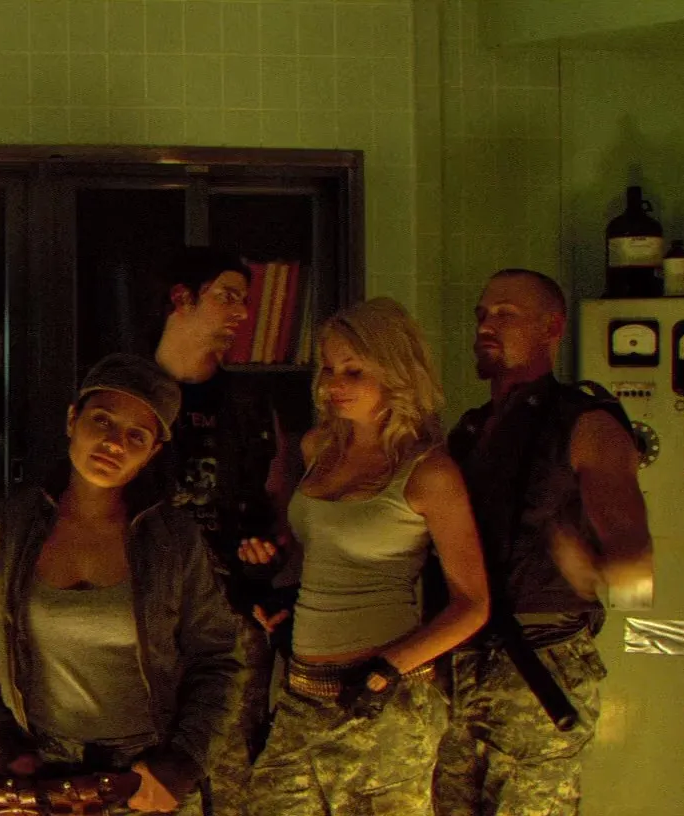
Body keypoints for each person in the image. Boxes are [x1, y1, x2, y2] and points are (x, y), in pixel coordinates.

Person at [0, 353, 243, 815]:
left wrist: (181, 764)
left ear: (153, 452)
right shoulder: (8, 529)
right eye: (102, 420)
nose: (113, 443)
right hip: (40, 774)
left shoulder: (173, 539)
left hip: (145, 776)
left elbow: (217, 658)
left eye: (136, 436)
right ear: (72, 419)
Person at [238, 297, 490, 813]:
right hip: (303, 690)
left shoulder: (428, 471)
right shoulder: (318, 448)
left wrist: (389, 668)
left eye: (354, 371)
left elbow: (473, 603)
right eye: (329, 369)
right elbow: (318, 551)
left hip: (383, 697)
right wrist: (271, 568)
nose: (334, 384)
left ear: (396, 373)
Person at [433, 269, 653, 816]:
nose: (486, 325)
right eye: (482, 315)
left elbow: (635, 569)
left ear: (552, 328)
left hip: (541, 664)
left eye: (505, 314)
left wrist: (582, 566)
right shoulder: (470, 430)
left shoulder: (586, 424)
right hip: (458, 661)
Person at [140, 247, 297, 816]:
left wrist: (267, 557)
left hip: (232, 619)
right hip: (143, 623)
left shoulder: (251, 407)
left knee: (227, 777)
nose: (242, 313)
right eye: (227, 296)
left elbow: (282, 511)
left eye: (246, 301)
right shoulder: (126, 398)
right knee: (146, 779)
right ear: (182, 298)